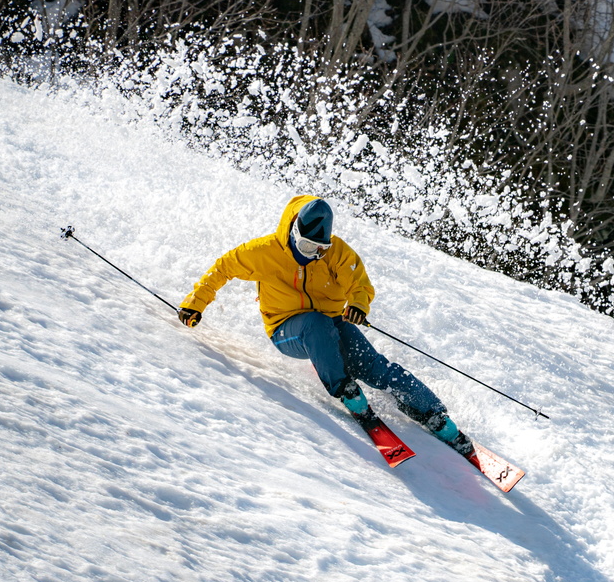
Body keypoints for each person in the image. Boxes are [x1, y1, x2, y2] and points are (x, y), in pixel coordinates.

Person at [176, 194, 473, 456]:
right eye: (306, 245)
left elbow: (359, 283)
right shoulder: (264, 252)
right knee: (315, 325)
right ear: (293, 231)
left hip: (330, 324)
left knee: (373, 366)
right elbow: (223, 268)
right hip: (286, 330)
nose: (311, 254)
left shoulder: (337, 253)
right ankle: (345, 389)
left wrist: (358, 304)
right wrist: (195, 303)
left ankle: (433, 414)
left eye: (319, 248)